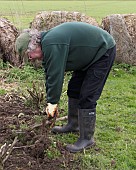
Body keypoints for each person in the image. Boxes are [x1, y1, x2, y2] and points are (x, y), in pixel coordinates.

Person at [15, 22, 116, 153]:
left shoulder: (52, 45)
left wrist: (52, 103)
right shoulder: (47, 44)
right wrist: (51, 101)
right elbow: (49, 75)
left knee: (87, 96)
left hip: (102, 52)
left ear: (35, 46)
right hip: (86, 57)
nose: (30, 58)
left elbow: (56, 76)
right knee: (74, 89)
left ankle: (87, 138)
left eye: (29, 54)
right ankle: (73, 125)